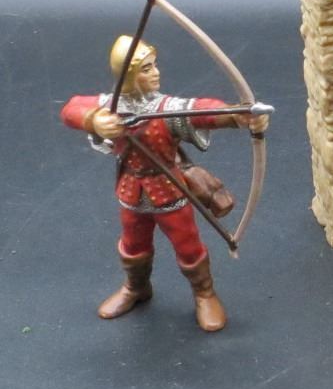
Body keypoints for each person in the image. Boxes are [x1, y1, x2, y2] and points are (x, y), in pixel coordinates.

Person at [60, 35, 269, 331]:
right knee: (133, 244)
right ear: (128, 76)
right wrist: (94, 120)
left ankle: (205, 294)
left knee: (188, 245)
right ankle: (136, 288)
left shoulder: (167, 108)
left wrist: (239, 115)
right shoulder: (109, 107)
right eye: (146, 69)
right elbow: (71, 108)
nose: (156, 73)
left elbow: (203, 111)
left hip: (169, 190)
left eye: (154, 65)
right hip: (131, 191)